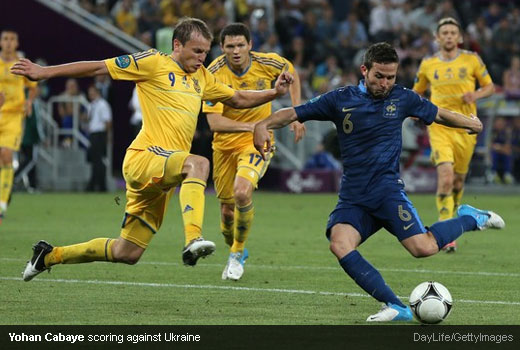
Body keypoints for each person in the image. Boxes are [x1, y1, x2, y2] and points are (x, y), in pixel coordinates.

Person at [11, 17, 294, 282]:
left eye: (205, 52)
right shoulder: (152, 62)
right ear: (177, 45)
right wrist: (45, 72)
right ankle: (193, 239)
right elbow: (99, 66)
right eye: (196, 51)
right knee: (199, 164)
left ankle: (49, 256)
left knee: (127, 252)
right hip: (145, 157)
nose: (202, 58)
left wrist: (275, 93)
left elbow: (239, 98)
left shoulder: (203, 77)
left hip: (162, 177)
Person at [253, 42, 505, 322]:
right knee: (340, 244)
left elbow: (439, 113)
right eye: (379, 76)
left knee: (423, 249)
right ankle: (394, 306)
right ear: (364, 70)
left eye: (391, 77)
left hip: (387, 193)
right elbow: (293, 113)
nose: (385, 83)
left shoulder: (403, 98)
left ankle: (470, 218)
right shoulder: (340, 99)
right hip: (353, 196)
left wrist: (470, 123)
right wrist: (262, 125)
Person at [202, 23, 305, 281]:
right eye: (230, 46)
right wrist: (252, 125)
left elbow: (291, 70)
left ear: (249, 45)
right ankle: (236, 246)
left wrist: (297, 112)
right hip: (224, 146)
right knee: (227, 214)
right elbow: (214, 124)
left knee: (242, 191)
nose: (236, 51)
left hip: (257, 142)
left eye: (240, 45)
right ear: (221, 48)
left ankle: (236, 254)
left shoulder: (267, 62)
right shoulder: (212, 74)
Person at [412, 17, 495, 253]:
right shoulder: (428, 64)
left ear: (459, 38)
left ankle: (454, 219)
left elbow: (489, 86)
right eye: (444, 33)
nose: (448, 36)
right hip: (439, 126)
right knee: (446, 177)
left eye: (452, 33)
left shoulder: (472, 59)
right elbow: (416, 92)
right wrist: (415, 111)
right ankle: (446, 234)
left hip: (466, 127)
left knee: (458, 181)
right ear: (437, 38)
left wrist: (475, 95)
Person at [0, 30, 37, 224]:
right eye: (5, 39)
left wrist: (29, 102)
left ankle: (2, 205)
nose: (8, 42)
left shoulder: (21, 64)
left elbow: (33, 86)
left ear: (17, 43)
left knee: (6, 155)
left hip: (14, 115)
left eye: (12, 39)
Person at [85, 84, 112, 192]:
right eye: (89, 93)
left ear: (97, 92)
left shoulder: (103, 104)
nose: (90, 94)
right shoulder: (91, 105)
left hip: (100, 134)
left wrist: (107, 136)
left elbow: (107, 121)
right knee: (95, 161)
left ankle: (100, 185)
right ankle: (95, 185)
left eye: (92, 92)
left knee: (99, 161)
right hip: (92, 134)